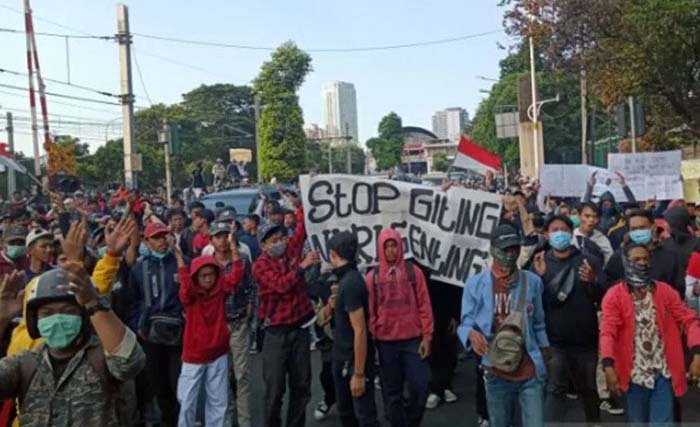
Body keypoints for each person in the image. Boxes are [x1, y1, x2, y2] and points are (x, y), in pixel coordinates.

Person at [0, 264, 146, 426]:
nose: (58, 319)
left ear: (83, 316)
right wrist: (1, 319)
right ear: (35, 321)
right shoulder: (25, 363)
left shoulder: (104, 357)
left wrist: (92, 301)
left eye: (68, 311)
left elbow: (130, 363)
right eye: (47, 313)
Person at [458, 223, 549, 427]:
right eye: (504, 250)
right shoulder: (476, 284)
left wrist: (543, 357)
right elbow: (465, 322)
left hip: (529, 370)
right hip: (496, 370)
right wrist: (471, 334)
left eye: (514, 249)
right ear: (492, 250)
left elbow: (539, 323)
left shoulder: (533, 282)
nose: (510, 255)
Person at [600, 244, 700, 426]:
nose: (642, 263)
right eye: (636, 260)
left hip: (663, 372)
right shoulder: (614, 296)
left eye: (646, 259)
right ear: (625, 262)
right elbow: (608, 331)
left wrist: (697, 353)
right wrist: (608, 365)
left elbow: (689, 320)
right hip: (632, 374)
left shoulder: (665, 291)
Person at [532, 215, 604, 426]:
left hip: (586, 341)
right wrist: (541, 278)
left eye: (564, 229)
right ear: (546, 234)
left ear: (571, 233)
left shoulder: (588, 260)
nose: (559, 234)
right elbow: (534, 302)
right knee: (555, 389)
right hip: (554, 341)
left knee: (589, 389)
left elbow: (603, 298)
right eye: (554, 230)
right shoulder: (539, 262)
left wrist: (593, 282)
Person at [252, 205, 319, 427]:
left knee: (302, 387)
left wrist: (308, 199)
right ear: (263, 245)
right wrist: (302, 266)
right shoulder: (259, 266)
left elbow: (302, 230)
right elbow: (281, 285)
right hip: (276, 333)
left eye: (281, 237)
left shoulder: (290, 249)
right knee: (275, 390)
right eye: (273, 240)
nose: (280, 242)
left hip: (299, 330)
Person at [365, 228, 433, 427]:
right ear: (380, 249)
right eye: (387, 247)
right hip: (386, 344)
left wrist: (427, 336)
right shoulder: (372, 277)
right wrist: (374, 344)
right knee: (392, 394)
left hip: (412, 341)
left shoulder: (414, 272)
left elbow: (424, 305)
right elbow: (370, 313)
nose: (392, 250)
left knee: (421, 386)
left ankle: (411, 421)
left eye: (395, 245)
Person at [174, 239, 244, 427]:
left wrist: (233, 248)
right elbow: (185, 285)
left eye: (211, 275)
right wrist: (179, 258)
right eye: (203, 275)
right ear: (195, 277)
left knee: (218, 401)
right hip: (194, 355)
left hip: (217, 352)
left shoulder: (221, 290)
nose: (208, 279)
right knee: (187, 401)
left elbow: (237, 273)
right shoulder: (190, 296)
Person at [126, 222, 184, 427]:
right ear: (147, 242)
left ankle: (180, 421)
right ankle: (168, 421)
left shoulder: (180, 262)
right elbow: (133, 301)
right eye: (156, 238)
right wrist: (138, 326)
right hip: (150, 334)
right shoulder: (139, 268)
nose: (161, 241)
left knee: (179, 383)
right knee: (158, 384)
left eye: (164, 236)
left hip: (177, 332)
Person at [326, 231, 379, 427]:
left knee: (363, 416)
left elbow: (360, 330)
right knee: (348, 411)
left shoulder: (350, 283)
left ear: (333, 254)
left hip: (351, 361)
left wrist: (358, 374)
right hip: (345, 358)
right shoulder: (349, 280)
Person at [206, 222, 255, 427]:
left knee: (242, 375)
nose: (222, 240)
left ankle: (244, 422)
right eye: (218, 236)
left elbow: (252, 286)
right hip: (217, 326)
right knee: (221, 377)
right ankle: (226, 419)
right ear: (211, 240)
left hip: (239, 323)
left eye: (225, 235)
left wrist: (252, 306)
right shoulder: (206, 265)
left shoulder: (242, 259)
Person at [605, 209, 684, 295]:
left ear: (653, 227)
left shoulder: (670, 257)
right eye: (634, 229)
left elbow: (678, 289)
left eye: (642, 227)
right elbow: (608, 287)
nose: (638, 232)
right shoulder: (619, 257)